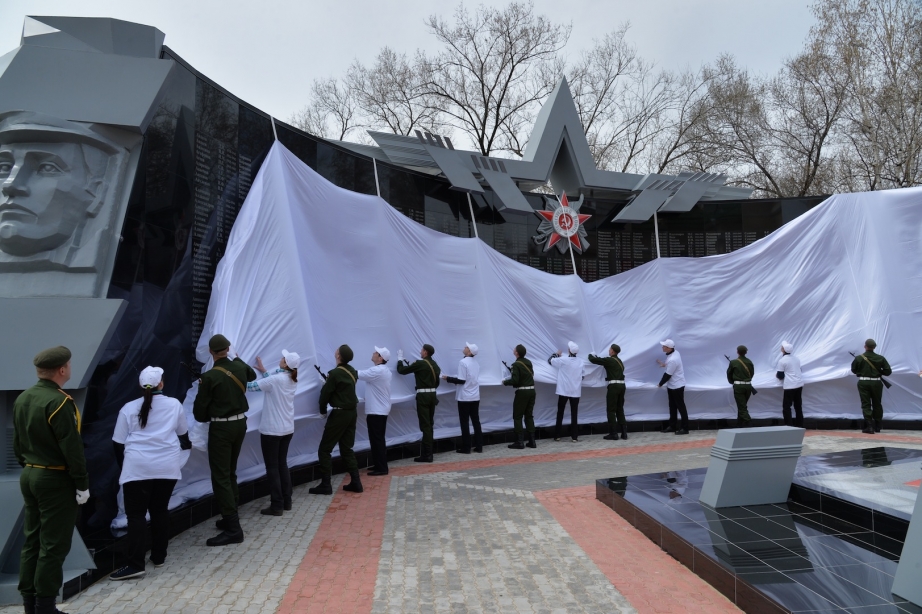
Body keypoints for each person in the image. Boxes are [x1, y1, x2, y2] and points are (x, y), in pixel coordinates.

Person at [13, 346, 88, 614]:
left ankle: (29, 604)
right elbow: (72, 449)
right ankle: (45, 606)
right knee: (53, 545)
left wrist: (31, 466)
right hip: (54, 478)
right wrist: (81, 484)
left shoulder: (24, 398)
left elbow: (18, 444)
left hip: (31, 473)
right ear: (62, 369)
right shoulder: (59, 402)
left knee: (32, 541)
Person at [109, 366, 190, 580]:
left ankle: (135, 564)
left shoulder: (128, 408)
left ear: (140, 385)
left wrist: (125, 466)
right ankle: (159, 556)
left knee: (136, 516)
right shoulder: (174, 404)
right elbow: (183, 433)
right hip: (167, 467)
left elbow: (117, 442)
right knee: (159, 510)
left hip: (137, 468)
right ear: (161, 383)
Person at [192, 334, 257, 547]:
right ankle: (231, 514)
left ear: (211, 352)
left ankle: (233, 528)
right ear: (228, 348)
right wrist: (237, 359)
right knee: (229, 472)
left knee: (221, 476)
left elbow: (200, 414)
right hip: (240, 425)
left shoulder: (209, 377)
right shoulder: (239, 367)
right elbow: (252, 375)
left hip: (221, 428)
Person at [247, 350, 299, 516]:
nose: (281, 358)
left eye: (283, 358)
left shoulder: (277, 380)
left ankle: (276, 505)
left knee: (272, 468)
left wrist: (232, 374)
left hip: (272, 431)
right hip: (287, 429)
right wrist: (264, 371)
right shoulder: (291, 379)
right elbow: (273, 380)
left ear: (285, 364)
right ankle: (287, 501)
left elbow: (251, 387)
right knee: (282, 464)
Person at [310, 345, 362, 495]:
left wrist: (322, 412)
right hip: (352, 412)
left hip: (339, 414)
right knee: (347, 448)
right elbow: (343, 388)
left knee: (325, 450)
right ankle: (356, 482)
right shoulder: (352, 371)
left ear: (338, 356)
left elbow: (324, 396)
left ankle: (326, 484)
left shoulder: (335, 374)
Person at [396, 344, 441, 462]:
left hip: (423, 397)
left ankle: (427, 455)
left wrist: (400, 360)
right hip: (432, 395)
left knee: (425, 425)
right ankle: (429, 452)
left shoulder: (420, 364)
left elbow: (401, 371)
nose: (421, 351)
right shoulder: (435, 365)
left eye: (422, 350)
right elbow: (436, 383)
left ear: (425, 352)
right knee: (430, 424)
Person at [357, 346, 393, 476]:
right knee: (376, 439)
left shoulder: (377, 371)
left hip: (377, 411)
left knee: (377, 439)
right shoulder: (383, 370)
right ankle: (379, 464)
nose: (373, 353)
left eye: (376, 352)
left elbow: (358, 374)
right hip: (379, 410)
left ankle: (382, 468)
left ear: (380, 358)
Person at [442, 342, 482, 454]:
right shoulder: (476, 363)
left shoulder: (463, 362)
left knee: (464, 422)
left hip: (465, 397)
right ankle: (479, 445)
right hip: (475, 395)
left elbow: (461, 380)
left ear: (469, 352)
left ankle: (466, 447)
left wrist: (448, 378)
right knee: (476, 421)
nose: (464, 348)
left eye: (466, 347)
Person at [851, 338, 892, 434]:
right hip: (877, 383)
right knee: (877, 403)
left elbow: (854, 370)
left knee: (866, 404)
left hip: (863, 382)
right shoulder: (881, 358)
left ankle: (869, 426)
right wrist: (878, 372)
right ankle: (878, 426)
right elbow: (888, 371)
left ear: (865, 346)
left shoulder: (859, 358)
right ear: (874, 347)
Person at [588, 344, 628, 440]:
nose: (609, 350)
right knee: (620, 409)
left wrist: (590, 355)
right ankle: (624, 433)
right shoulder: (620, 362)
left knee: (611, 410)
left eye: (610, 349)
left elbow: (593, 360)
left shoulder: (610, 360)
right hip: (622, 386)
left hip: (614, 387)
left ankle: (613, 434)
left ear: (613, 351)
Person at [549, 341, 583, 442]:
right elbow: (583, 375)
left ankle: (557, 435)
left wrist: (556, 354)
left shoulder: (563, 359)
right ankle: (574, 437)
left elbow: (550, 361)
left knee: (560, 413)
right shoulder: (580, 362)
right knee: (574, 414)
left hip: (563, 390)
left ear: (569, 350)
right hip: (575, 391)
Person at [504, 345, 537, 450]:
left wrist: (505, 382)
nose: (513, 350)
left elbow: (515, 381)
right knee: (529, 415)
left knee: (517, 416)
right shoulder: (528, 362)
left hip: (522, 392)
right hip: (532, 391)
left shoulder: (516, 364)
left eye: (514, 349)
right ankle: (532, 441)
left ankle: (519, 442)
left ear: (517, 353)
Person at [656, 339, 689, 435]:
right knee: (672, 406)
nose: (662, 347)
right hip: (672, 385)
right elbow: (670, 366)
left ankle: (685, 428)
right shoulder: (675, 353)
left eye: (664, 346)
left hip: (677, 386)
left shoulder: (673, 359)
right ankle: (672, 426)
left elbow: (668, 374)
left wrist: (660, 384)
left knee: (681, 407)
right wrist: (663, 364)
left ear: (669, 348)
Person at [776, 341, 804, 427]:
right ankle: (800, 424)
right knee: (798, 405)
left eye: (782, 347)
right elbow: (799, 370)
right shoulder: (796, 359)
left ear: (783, 350)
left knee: (787, 406)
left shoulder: (782, 361)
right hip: (799, 383)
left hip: (790, 385)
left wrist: (777, 375)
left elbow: (780, 375)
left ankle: (788, 425)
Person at [727, 345, 755, 427]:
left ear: (737, 352)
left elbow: (729, 374)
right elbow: (751, 374)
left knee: (742, 407)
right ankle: (739, 424)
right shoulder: (750, 362)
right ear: (746, 352)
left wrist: (733, 382)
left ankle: (749, 423)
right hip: (748, 386)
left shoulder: (733, 362)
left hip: (739, 387)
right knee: (742, 405)